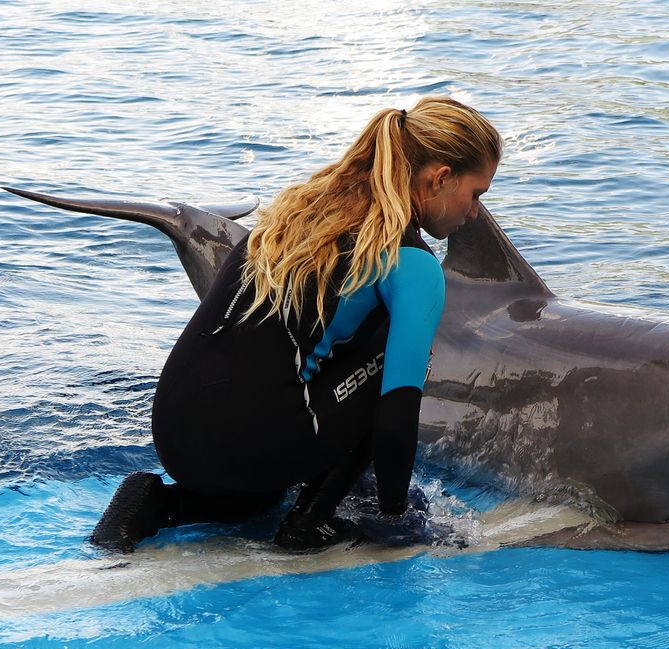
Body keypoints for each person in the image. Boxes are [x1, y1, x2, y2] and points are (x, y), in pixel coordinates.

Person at [90, 96, 501, 553]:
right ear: (440, 178)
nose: (474, 213)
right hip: (252, 444)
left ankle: (158, 502)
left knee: (259, 497)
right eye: (476, 193)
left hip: (174, 432)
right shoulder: (411, 263)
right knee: (403, 352)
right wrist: (393, 515)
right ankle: (309, 525)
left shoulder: (298, 218)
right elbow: (396, 415)